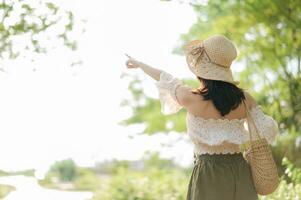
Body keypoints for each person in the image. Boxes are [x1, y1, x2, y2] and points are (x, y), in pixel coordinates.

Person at [125, 34, 279, 200]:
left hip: (208, 172)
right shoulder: (244, 99)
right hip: (239, 170)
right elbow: (267, 129)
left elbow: (165, 78)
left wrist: (140, 65)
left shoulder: (191, 98)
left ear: (201, 70)